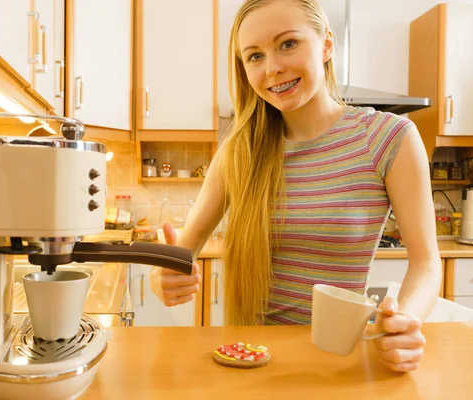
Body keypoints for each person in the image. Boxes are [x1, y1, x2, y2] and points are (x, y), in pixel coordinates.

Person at [150, 0, 442, 373]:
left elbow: (426, 262)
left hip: (338, 363)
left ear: (326, 45)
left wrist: (408, 320)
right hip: (251, 363)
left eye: (287, 43)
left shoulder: (388, 138)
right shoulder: (238, 151)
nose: (272, 68)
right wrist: (165, 276)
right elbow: (180, 257)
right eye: (254, 56)